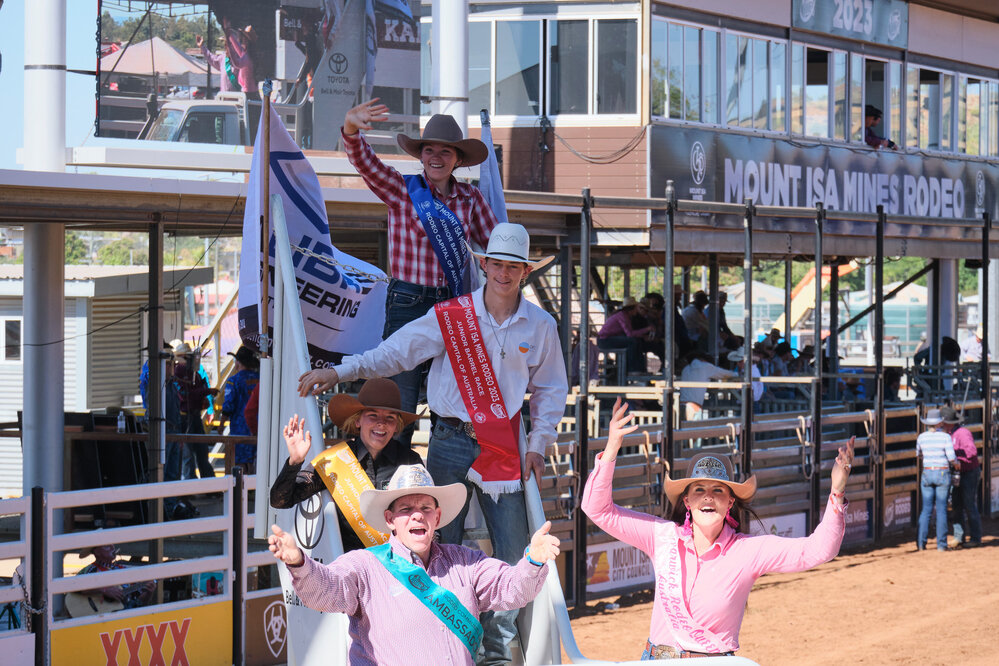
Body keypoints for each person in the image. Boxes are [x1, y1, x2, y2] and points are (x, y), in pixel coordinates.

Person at [297, 222, 568, 665]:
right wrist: (341, 372)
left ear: (524, 272)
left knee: (514, 547)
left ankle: (497, 654)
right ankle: (452, 646)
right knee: (435, 547)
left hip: (507, 445)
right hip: (450, 439)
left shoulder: (541, 325)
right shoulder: (452, 316)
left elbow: (551, 389)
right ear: (484, 266)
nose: (503, 272)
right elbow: (395, 352)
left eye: (512, 266)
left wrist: (538, 442)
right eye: (496, 263)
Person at [582, 399, 853, 659]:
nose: (708, 497)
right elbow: (597, 510)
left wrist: (837, 492)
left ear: (730, 502)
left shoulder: (748, 551)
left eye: (718, 490)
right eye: (699, 490)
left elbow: (819, 550)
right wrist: (612, 448)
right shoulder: (661, 536)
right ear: (687, 501)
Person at [268, 464, 559, 665]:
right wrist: (299, 562)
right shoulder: (365, 565)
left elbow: (510, 590)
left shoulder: (466, 561)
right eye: (406, 509)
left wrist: (532, 560)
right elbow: (327, 590)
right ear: (390, 521)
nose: (417, 516)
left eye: (425, 508)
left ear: (437, 516)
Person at [341, 98, 499, 448]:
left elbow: (498, 245)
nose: (436, 157)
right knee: (396, 404)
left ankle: (439, 486)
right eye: (429, 150)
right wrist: (351, 127)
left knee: (453, 403)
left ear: (458, 159)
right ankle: (388, 487)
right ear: (421, 155)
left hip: (453, 306)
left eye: (445, 151)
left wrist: (513, 269)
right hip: (408, 304)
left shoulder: (471, 199)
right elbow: (365, 163)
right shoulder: (402, 189)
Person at [269, 378, 424, 552]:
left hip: (398, 567)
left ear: (397, 426)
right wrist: (295, 462)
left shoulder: (411, 462)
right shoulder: (334, 460)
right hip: (349, 568)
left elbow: (427, 519)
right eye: (373, 415)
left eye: (390, 417)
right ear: (357, 421)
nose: (381, 423)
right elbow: (280, 501)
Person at [172, 342, 218, 481]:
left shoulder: (194, 374)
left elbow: (194, 392)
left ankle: (206, 483)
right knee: (189, 454)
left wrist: (205, 398)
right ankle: (191, 486)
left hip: (194, 416)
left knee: (201, 451)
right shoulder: (179, 372)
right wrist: (205, 392)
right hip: (185, 418)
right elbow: (185, 394)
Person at [940, 405, 982, 548]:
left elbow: (971, 452)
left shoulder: (962, 433)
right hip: (958, 473)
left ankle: (975, 537)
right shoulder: (948, 434)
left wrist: (955, 455)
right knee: (956, 505)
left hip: (969, 472)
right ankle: (959, 536)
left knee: (969, 504)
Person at [915, 408, 957, 551]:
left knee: (926, 509)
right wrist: (956, 464)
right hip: (941, 473)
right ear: (940, 423)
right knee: (941, 509)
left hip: (927, 472)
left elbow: (918, 454)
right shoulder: (945, 437)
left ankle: (921, 543)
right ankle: (941, 544)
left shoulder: (921, 437)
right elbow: (951, 458)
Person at [76, 543, 156, 611]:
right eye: (107, 546)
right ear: (97, 552)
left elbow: (139, 603)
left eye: (112, 544)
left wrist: (149, 593)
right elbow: (74, 586)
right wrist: (104, 590)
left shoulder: (123, 570)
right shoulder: (91, 570)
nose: (112, 548)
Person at [220, 345, 260, 469]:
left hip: (240, 429)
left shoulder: (234, 381)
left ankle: (241, 488)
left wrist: (221, 425)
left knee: (239, 465)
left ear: (238, 362)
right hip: (260, 428)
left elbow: (228, 405)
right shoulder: (261, 379)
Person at [597, 297, 654, 375]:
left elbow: (630, 333)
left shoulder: (625, 315)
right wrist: (646, 329)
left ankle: (639, 369)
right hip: (605, 340)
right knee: (633, 341)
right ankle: (632, 369)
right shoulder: (622, 316)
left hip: (607, 339)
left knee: (636, 341)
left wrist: (642, 336)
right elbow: (630, 334)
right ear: (632, 308)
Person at [678, 353, 735, 423]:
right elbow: (725, 374)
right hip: (694, 407)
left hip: (680, 405)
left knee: (681, 431)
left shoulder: (685, 369)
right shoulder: (706, 366)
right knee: (694, 431)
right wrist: (737, 374)